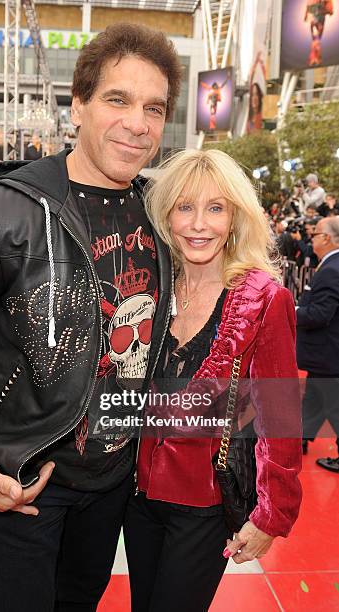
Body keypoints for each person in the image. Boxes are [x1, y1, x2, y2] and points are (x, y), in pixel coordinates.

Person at [0, 23, 182, 612]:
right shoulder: (4, 209)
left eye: (154, 107)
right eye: (117, 99)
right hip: (25, 482)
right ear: (77, 105)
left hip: (115, 483)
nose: (138, 123)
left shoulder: (162, 213)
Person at [123, 149, 302, 612]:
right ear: (166, 215)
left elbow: (279, 419)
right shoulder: (153, 286)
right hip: (135, 495)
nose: (199, 224)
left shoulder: (263, 299)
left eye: (215, 208)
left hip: (204, 503)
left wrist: (271, 514)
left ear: (235, 218)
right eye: (185, 207)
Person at [297, 216, 339, 472]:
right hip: (326, 356)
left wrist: (290, 310)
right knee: (313, 401)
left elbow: (320, 314)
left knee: (333, 408)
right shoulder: (331, 265)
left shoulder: (333, 269)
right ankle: (298, 438)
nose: (310, 238)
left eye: (315, 234)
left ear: (326, 238)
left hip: (329, 354)